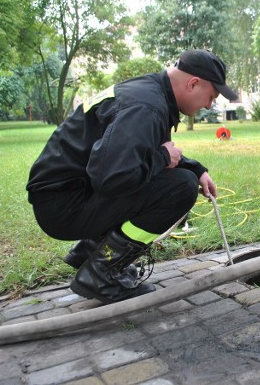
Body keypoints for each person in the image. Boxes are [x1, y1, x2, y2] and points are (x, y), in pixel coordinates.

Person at [27, 49, 238, 304]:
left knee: (183, 176)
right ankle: (100, 272)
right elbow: (111, 178)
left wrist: (196, 168)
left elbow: (137, 151)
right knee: (180, 188)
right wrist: (163, 158)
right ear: (193, 83)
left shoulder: (149, 92)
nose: (209, 105)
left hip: (65, 196)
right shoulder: (146, 106)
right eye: (211, 97)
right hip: (65, 207)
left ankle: (91, 250)